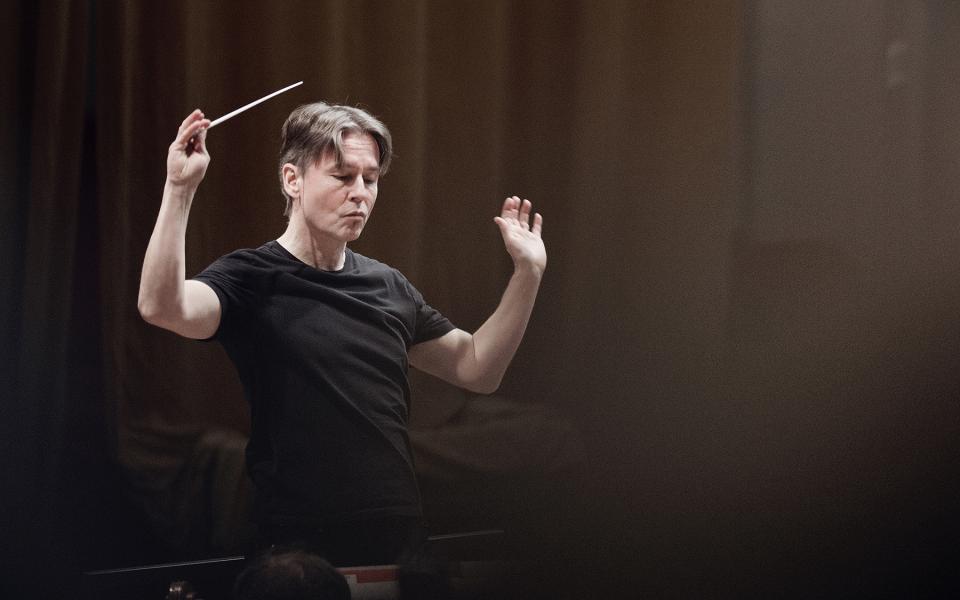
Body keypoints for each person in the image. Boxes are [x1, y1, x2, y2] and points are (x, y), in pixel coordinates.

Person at [137, 102, 546, 567]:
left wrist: (528, 274)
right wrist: (180, 188)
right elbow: (161, 307)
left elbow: (478, 369)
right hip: (298, 541)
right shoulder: (252, 276)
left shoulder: (388, 286)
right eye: (342, 176)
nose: (361, 194)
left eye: (370, 179)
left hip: (397, 531)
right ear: (293, 180)